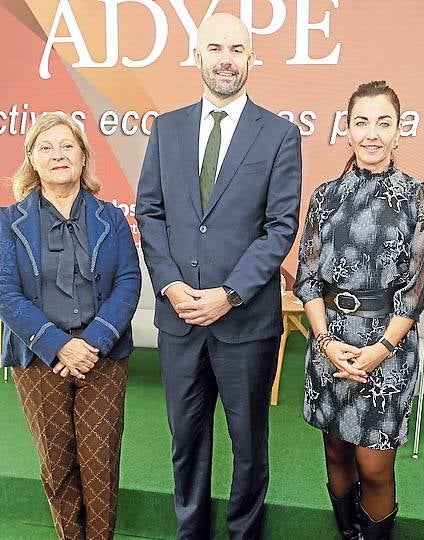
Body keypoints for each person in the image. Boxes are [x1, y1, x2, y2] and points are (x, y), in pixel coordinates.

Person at [135, 12, 302, 540]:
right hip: (179, 319)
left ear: (251, 57)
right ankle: (192, 533)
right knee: (186, 442)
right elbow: (150, 211)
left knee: (249, 445)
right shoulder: (167, 128)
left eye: (236, 48)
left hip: (245, 322)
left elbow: (280, 228)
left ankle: (244, 534)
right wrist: (169, 283)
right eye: (215, 48)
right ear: (198, 56)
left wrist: (229, 294)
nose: (225, 58)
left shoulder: (279, 134)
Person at [293, 81, 424, 539]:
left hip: (388, 348)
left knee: (373, 466)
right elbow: (308, 277)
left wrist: (379, 349)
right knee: (336, 452)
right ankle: (347, 533)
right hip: (328, 341)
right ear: (347, 130)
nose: (372, 133)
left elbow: (415, 292)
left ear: (399, 131)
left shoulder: (420, 199)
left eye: (383, 122)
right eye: (361, 122)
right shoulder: (324, 197)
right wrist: (325, 343)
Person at [0, 112, 141, 539]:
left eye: (67, 146)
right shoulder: (8, 222)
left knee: (100, 464)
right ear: (32, 160)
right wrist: (58, 345)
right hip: (39, 358)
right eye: (46, 147)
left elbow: (128, 282)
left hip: (102, 357)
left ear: (83, 157)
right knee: (56, 465)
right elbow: (6, 291)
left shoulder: (110, 219)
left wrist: (91, 342)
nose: (57, 155)